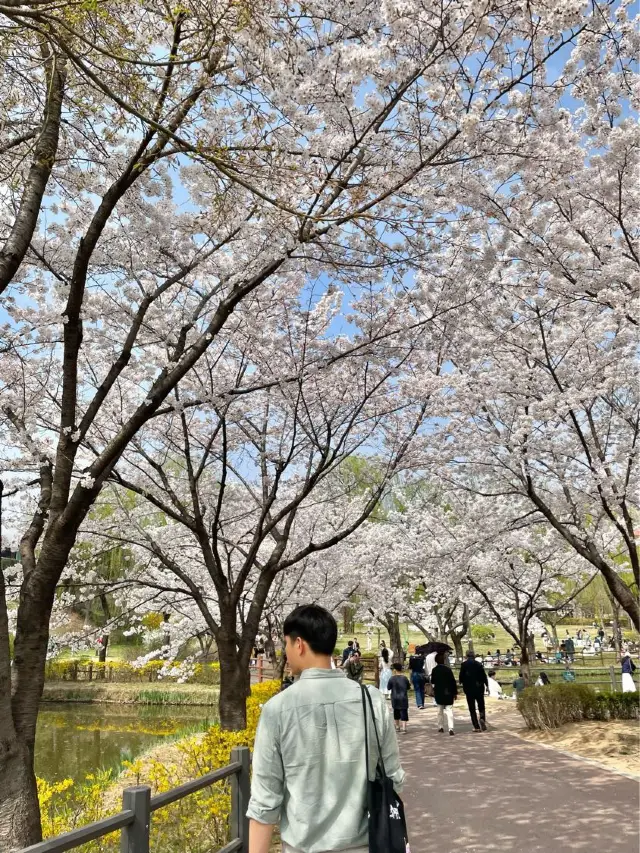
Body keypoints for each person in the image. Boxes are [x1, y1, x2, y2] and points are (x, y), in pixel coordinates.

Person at [247, 604, 405, 853]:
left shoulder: (277, 709)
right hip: (369, 846)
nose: (286, 653)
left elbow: (264, 803)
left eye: (286, 645)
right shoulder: (371, 699)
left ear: (298, 645)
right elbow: (393, 778)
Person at [459, 650, 489, 732]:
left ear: (466, 656)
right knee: (481, 705)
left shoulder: (464, 665)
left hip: (469, 689)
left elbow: (461, 676)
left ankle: (476, 726)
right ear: (474, 656)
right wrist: (487, 686)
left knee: (472, 708)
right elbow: (484, 676)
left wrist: (461, 681)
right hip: (479, 687)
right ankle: (482, 718)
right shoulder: (479, 664)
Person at [431, 651, 457, 734]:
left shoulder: (434, 670)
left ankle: (440, 727)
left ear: (436, 661)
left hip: (439, 692)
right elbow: (453, 681)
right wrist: (455, 692)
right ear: (444, 660)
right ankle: (451, 728)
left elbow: (432, 681)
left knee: (440, 711)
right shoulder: (448, 669)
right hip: (449, 692)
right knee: (449, 710)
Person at [388, 662, 411, 734]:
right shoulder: (405, 678)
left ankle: (397, 727)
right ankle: (404, 728)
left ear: (394, 670)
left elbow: (388, 688)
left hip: (395, 698)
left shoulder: (392, 679)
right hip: (403, 698)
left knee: (396, 712)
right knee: (404, 712)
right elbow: (408, 687)